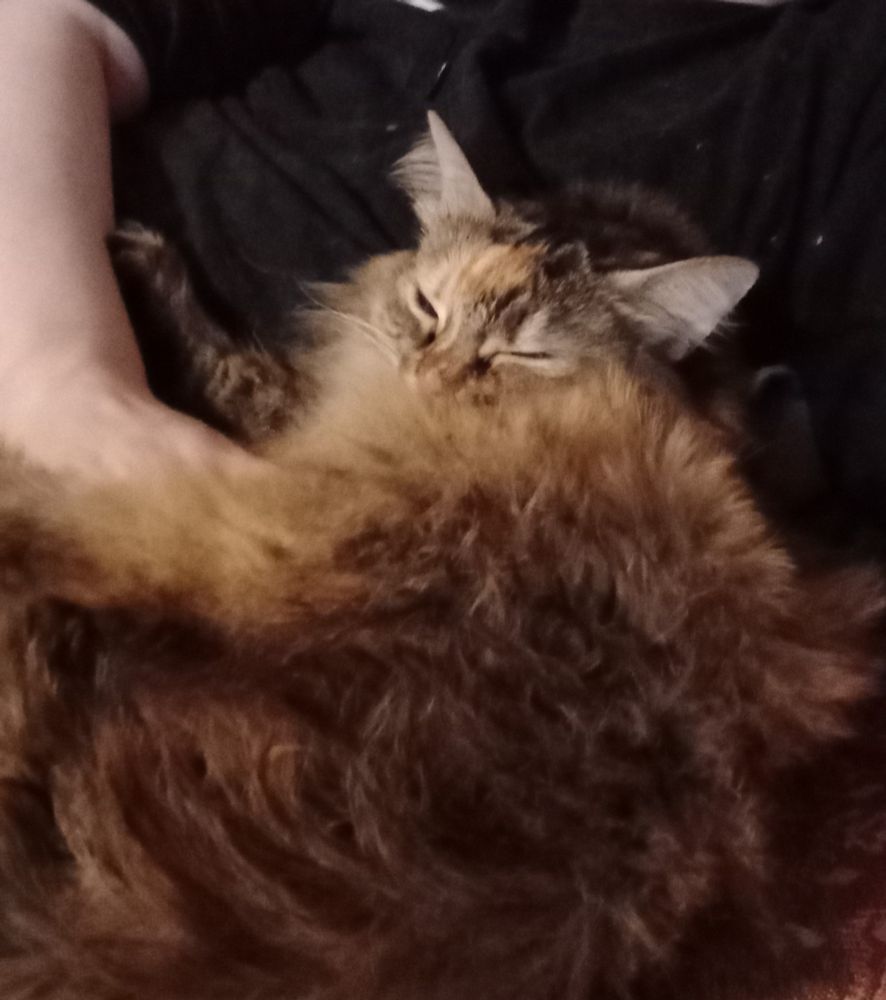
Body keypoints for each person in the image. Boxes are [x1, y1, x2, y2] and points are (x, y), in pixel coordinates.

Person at [2, 0, 885, 523]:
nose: (438, 370)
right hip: (56, 330)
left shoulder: (831, 79)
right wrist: (63, 383)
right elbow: (45, 19)